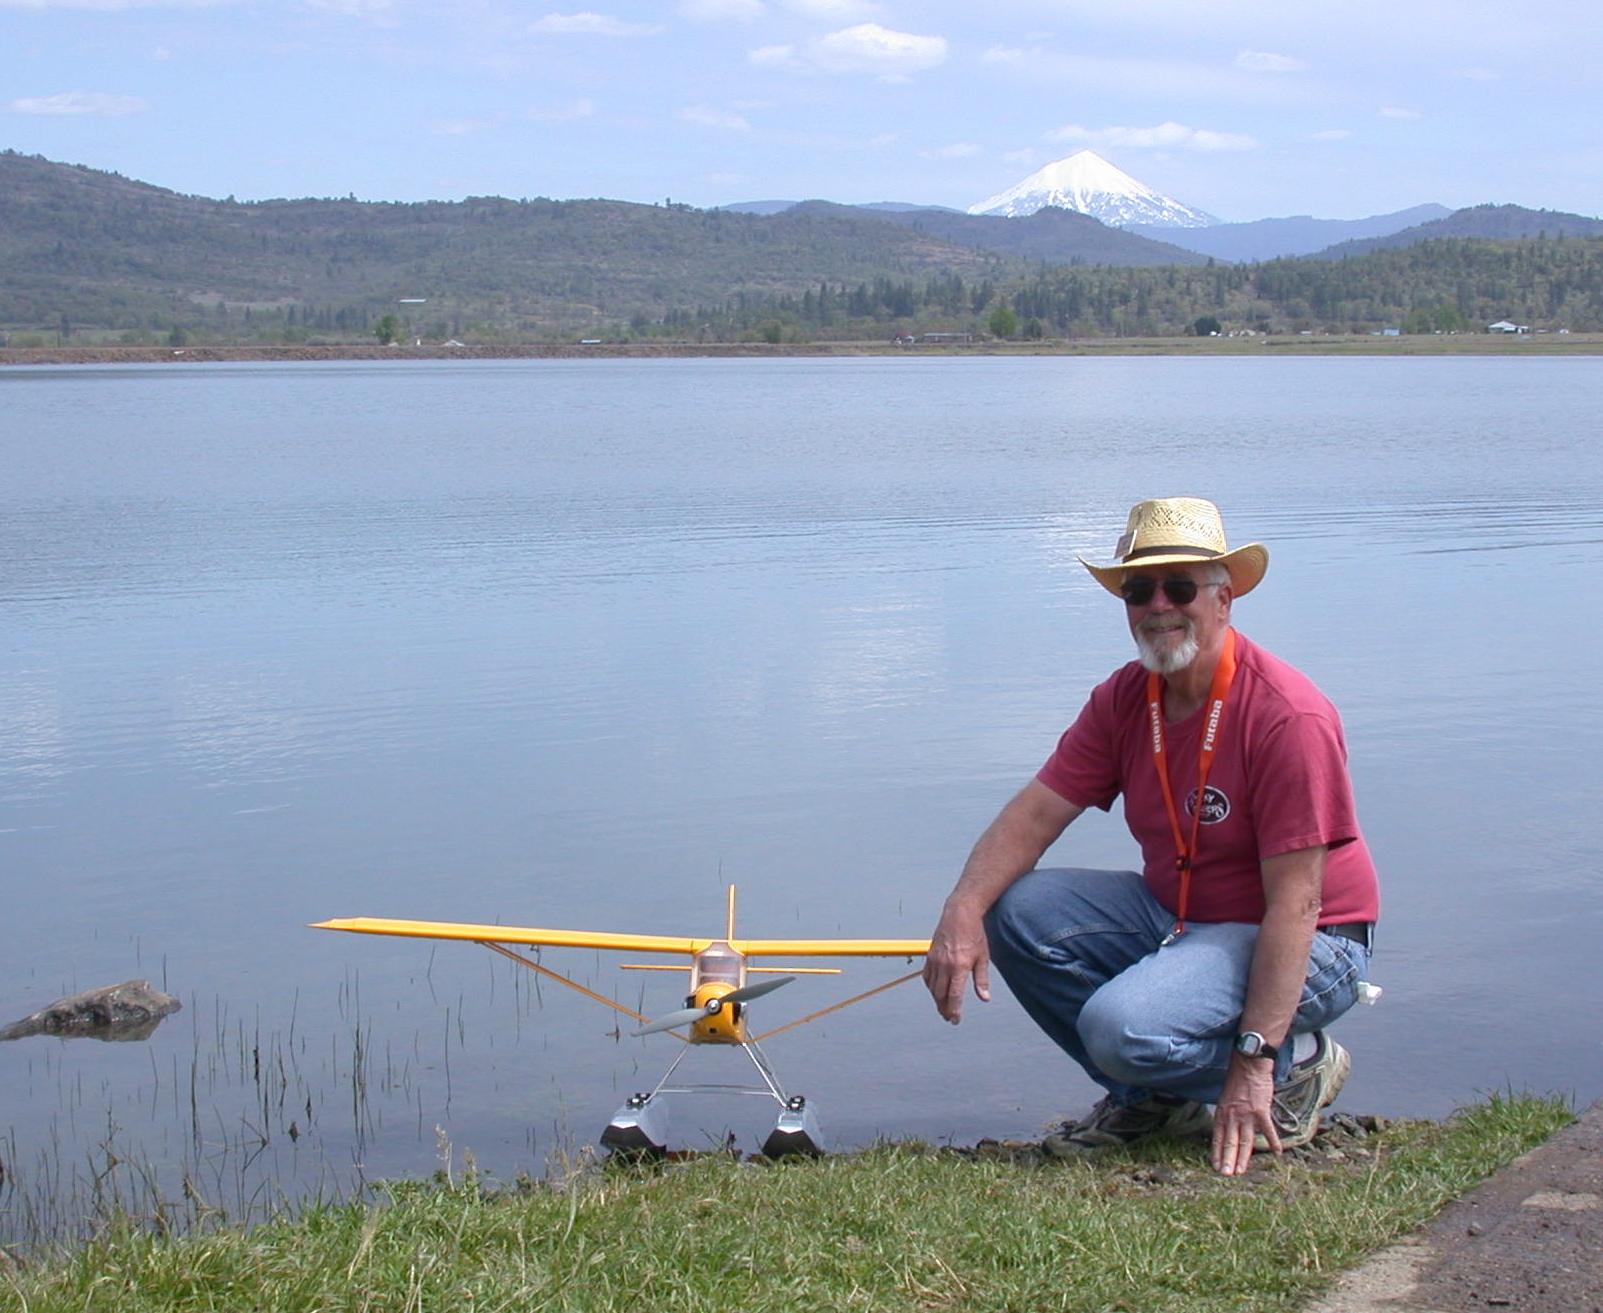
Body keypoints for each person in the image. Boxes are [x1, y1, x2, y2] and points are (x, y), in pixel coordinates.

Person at [922, 497, 1378, 1176]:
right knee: (1015, 911)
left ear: (1223, 600)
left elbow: (1297, 904)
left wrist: (1252, 1056)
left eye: (1180, 587)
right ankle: (1151, 1096)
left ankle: (1290, 1069)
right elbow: (1034, 814)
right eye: (1139, 589)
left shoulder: (1287, 715)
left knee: (1120, 1026)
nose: (1158, 604)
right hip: (1185, 917)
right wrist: (960, 907)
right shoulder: (1124, 698)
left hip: (1313, 939)